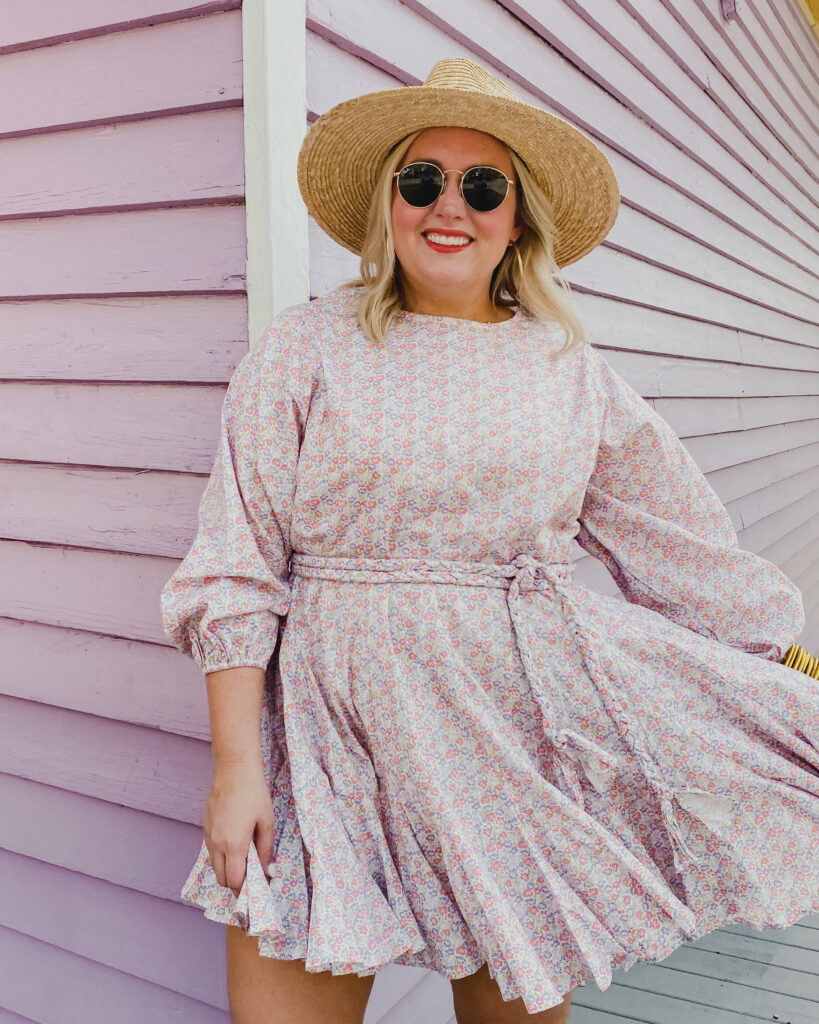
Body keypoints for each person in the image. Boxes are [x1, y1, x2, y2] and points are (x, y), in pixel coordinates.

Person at [160, 58, 819, 1024]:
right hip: (321, 740)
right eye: (420, 179)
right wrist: (235, 772)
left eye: (482, 185)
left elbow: (680, 545)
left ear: (516, 217)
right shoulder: (306, 349)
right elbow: (234, 564)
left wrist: (781, 667)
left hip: (507, 740)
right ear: (388, 201)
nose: (448, 207)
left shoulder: (566, 368)